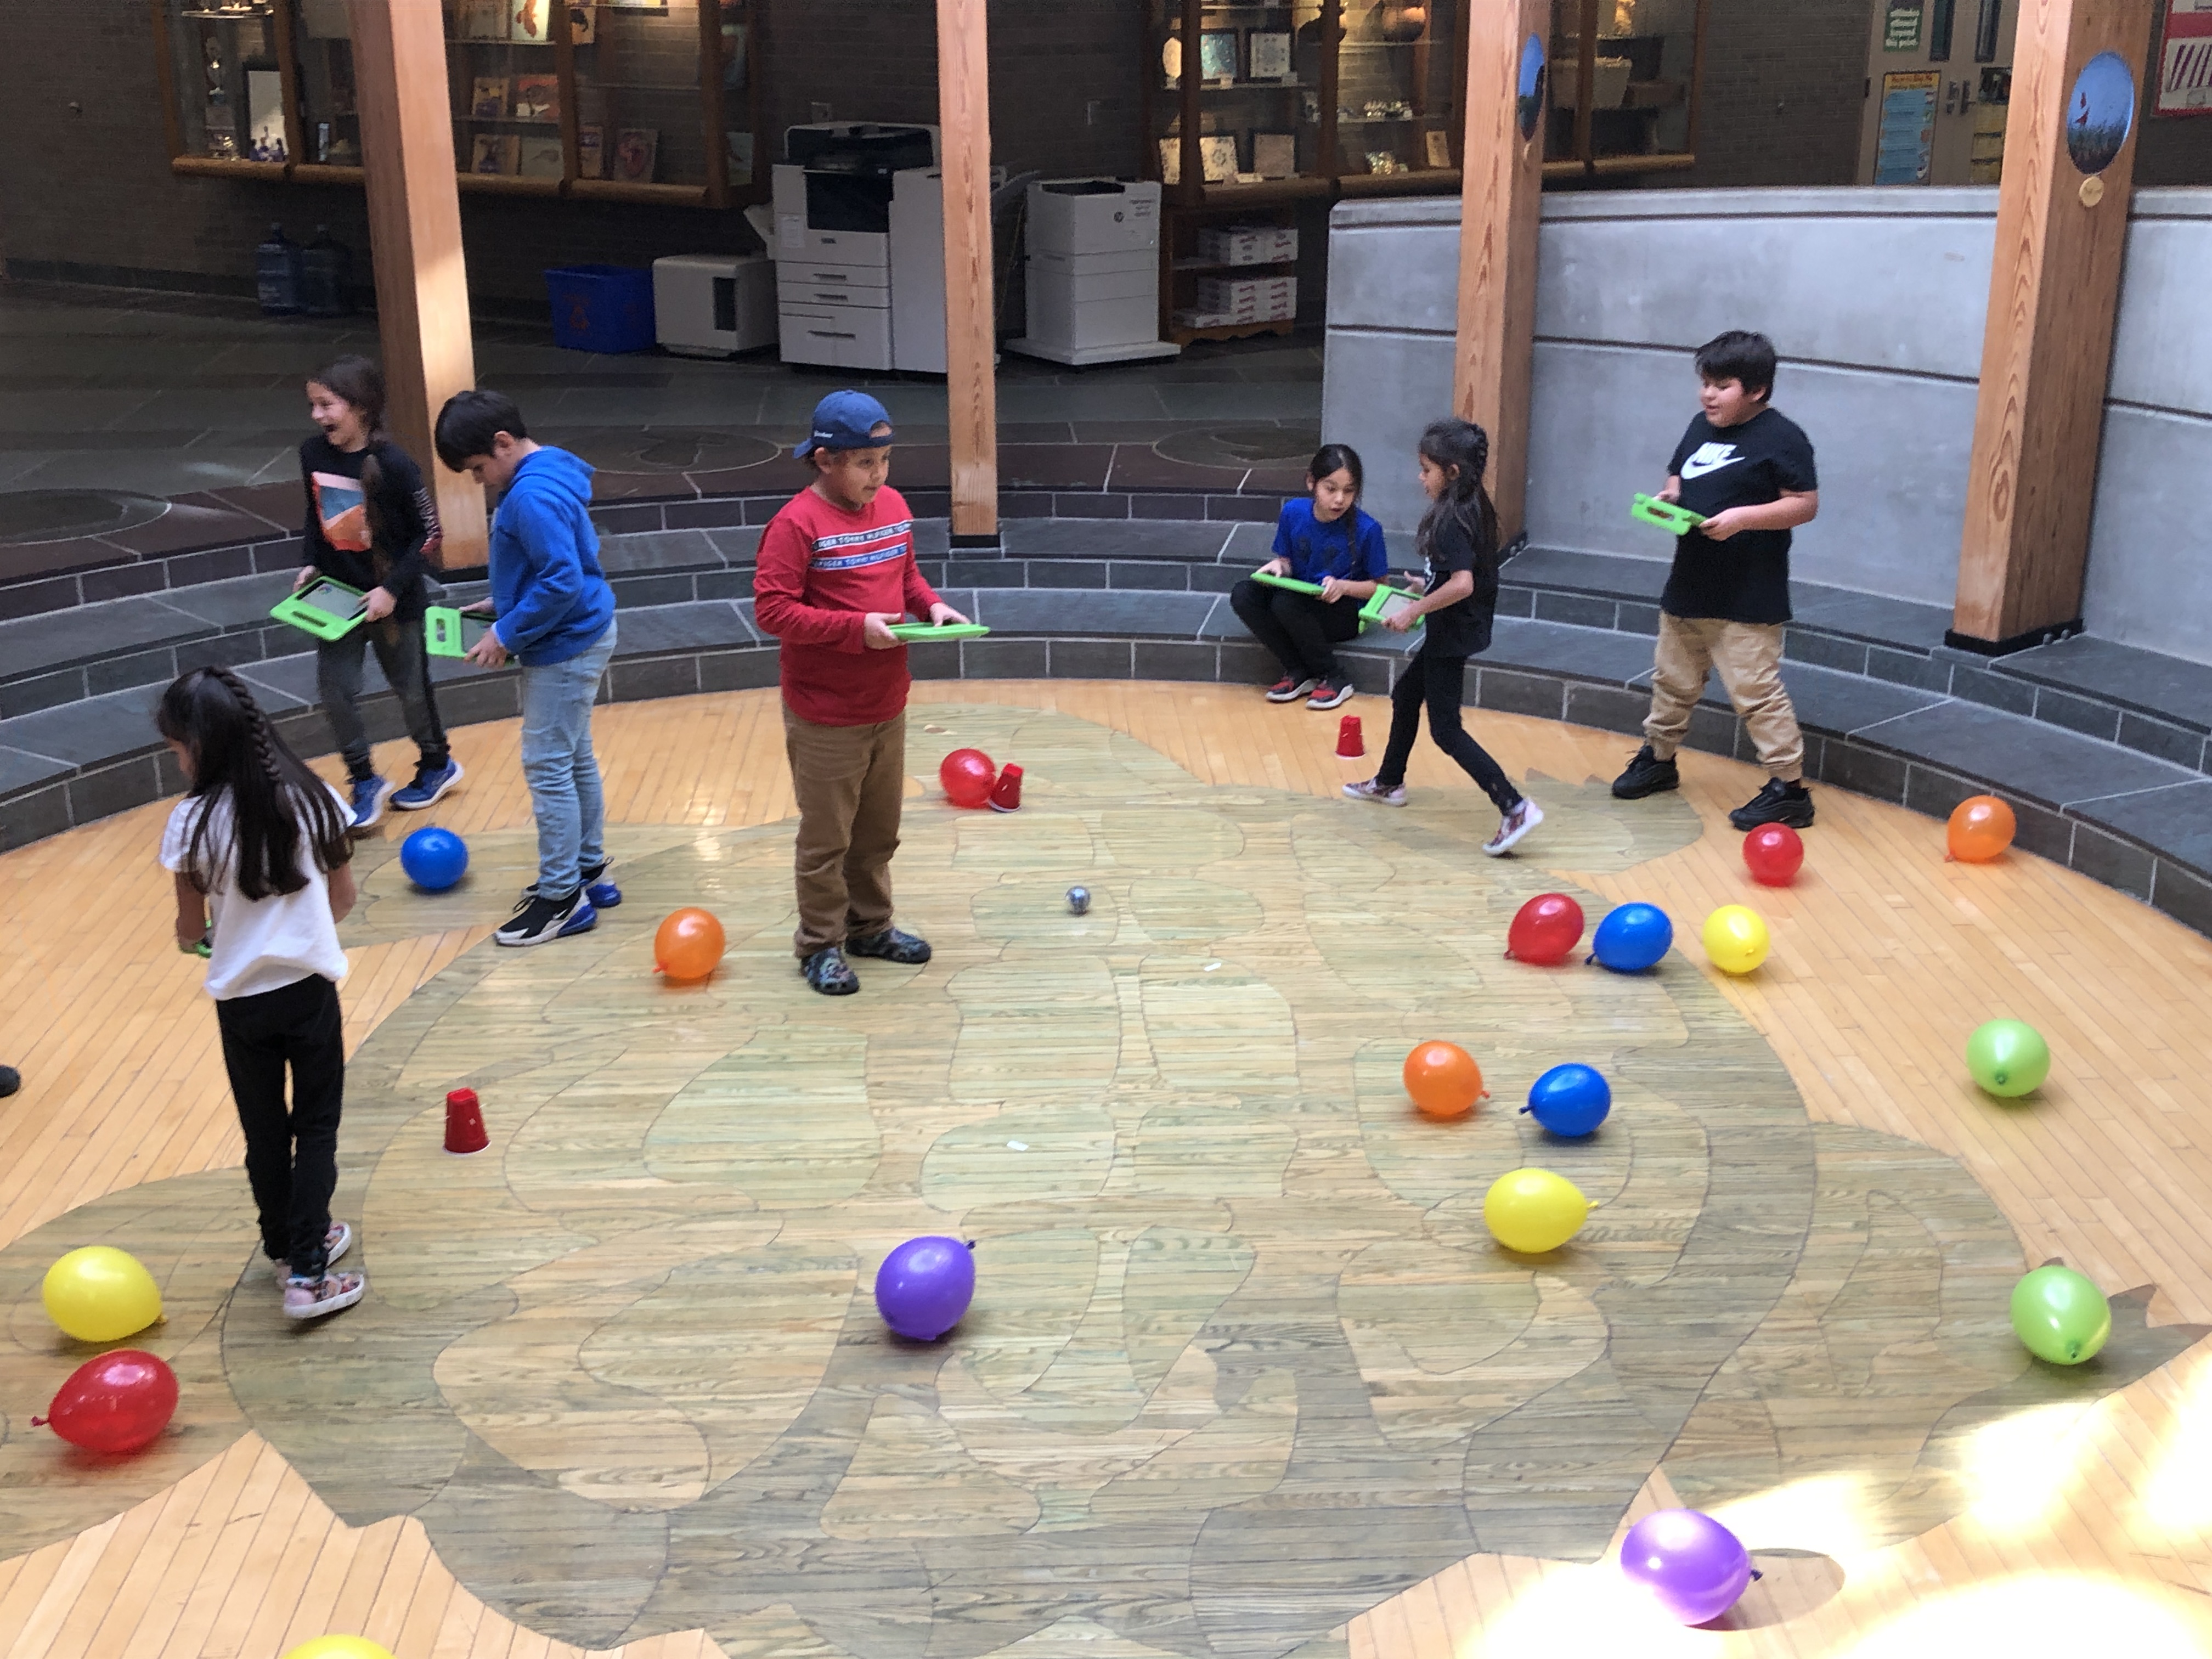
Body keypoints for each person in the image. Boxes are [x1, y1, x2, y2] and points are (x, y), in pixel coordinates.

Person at [157, 665, 366, 1321]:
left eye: (177, 748)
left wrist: (207, 935)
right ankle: (309, 1274)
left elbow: (192, 929)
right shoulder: (313, 797)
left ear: (202, 745)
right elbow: (344, 899)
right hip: (307, 993)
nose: (178, 761)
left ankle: (284, 1250)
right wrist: (295, 931)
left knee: (265, 1131)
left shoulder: (189, 822)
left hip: (240, 1004)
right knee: (318, 1129)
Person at [753, 391, 969, 996]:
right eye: (865, 464)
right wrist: (855, 629)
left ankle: (871, 928)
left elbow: (905, 577)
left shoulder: (893, 506)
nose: (879, 476)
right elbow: (772, 611)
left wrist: (931, 606)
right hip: (824, 712)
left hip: (886, 702)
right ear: (825, 461)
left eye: (885, 461)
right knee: (827, 840)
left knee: (877, 833)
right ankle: (819, 945)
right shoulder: (796, 524)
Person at [1611, 329, 1820, 830]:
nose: (1708, 395)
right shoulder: (1699, 426)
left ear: (1757, 391)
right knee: (1672, 681)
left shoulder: (1783, 438)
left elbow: (1804, 504)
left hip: (1749, 593)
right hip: (1689, 583)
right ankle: (1658, 761)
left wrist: (1742, 518)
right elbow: (1679, 477)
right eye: (1705, 383)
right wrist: (1669, 498)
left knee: (1756, 691)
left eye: (1722, 386)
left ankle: (1789, 789)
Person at [434, 389, 621, 946]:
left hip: (564, 646)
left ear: (503, 443)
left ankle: (564, 899)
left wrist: (507, 633)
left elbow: (562, 579)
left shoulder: (527, 498)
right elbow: (567, 564)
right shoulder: (554, 473)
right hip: (584, 631)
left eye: (477, 468)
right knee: (574, 757)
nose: (479, 480)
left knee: (547, 767)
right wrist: (505, 601)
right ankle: (590, 871)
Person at [1344, 417, 1543, 857]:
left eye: (1426, 469)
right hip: (1458, 629)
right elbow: (1452, 575)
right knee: (1406, 695)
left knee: (1447, 731)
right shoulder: (1473, 504)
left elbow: (1463, 584)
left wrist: (1415, 608)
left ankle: (1514, 806)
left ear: (1451, 472)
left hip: (1452, 633)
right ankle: (1389, 781)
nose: (1421, 477)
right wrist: (1424, 587)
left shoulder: (1453, 518)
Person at [295, 354, 461, 831]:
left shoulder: (395, 465)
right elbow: (315, 516)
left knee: (411, 690)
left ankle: (437, 764)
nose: (318, 416)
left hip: (395, 603)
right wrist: (310, 561)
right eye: (313, 405)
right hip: (338, 598)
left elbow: (429, 535)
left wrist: (390, 589)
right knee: (337, 691)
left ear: (361, 408)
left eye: (328, 405)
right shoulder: (312, 454)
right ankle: (363, 779)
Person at [1230, 443, 1391, 710]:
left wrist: (1343, 587)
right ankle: (1297, 670)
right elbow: (1289, 562)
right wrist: (1280, 568)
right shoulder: (1293, 512)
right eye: (1331, 489)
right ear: (1311, 483)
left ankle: (1334, 677)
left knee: (1285, 603)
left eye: (1349, 491)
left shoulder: (1368, 529)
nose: (1340, 499)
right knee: (1244, 594)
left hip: (1344, 611)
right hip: (1302, 599)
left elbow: (1381, 588)